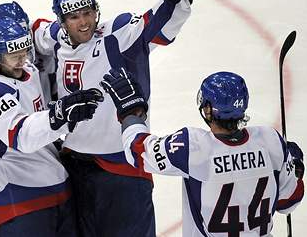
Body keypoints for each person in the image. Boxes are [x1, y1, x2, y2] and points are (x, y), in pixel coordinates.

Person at [32, 0, 201, 236]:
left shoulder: (116, 34)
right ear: (62, 21)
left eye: (88, 13)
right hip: (76, 166)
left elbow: (153, 25)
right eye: (74, 17)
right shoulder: (56, 37)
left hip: (121, 169)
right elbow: (34, 33)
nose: (84, 22)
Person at [0, 17, 103, 236]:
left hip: (58, 188)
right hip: (19, 201)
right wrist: (58, 117)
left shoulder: (27, 70)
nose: (21, 61)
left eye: (24, 52)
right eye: (13, 56)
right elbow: (22, 135)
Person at [101, 68, 305, 236]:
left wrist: (130, 112)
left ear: (208, 110)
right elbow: (288, 202)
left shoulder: (193, 147)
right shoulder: (271, 141)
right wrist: (295, 168)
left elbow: (138, 152)